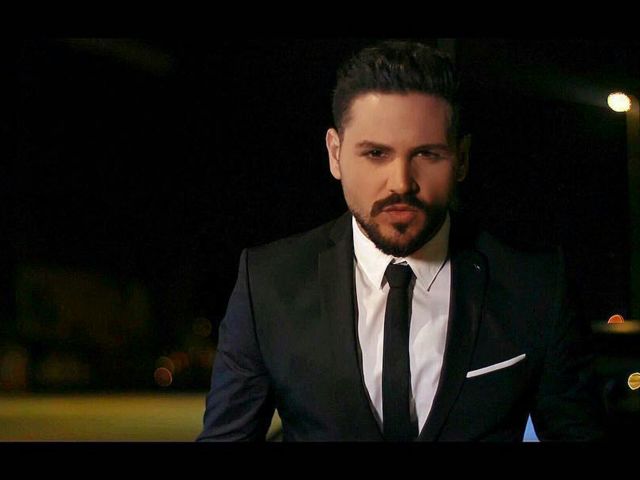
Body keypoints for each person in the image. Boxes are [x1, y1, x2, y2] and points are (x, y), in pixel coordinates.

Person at [197, 40, 604, 441]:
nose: (401, 183)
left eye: (427, 154)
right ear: (335, 154)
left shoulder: (534, 285)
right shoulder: (268, 283)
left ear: (462, 158)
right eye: (376, 153)